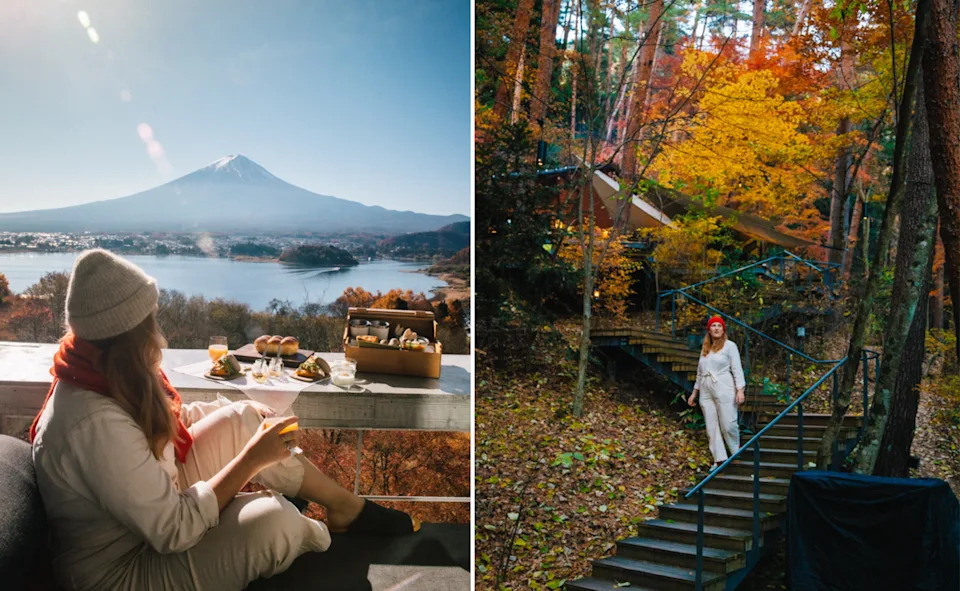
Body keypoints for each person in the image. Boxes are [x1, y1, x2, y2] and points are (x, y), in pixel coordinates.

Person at [30, 249, 419, 591]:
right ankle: (302, 533)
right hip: (121, 568)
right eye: (150, 322)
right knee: (274, 521)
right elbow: (173, 529)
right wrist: (251, 459)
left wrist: (242, 422)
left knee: (244, 420)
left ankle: (344, 507)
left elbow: (166, 425)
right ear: (128, 335)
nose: (158, 334)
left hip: (145, 515)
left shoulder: (101, 368)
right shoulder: (93, 423)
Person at [687, 315, 746, 469]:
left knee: (728, 423)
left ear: (723, 329)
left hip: (724, 385)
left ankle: (736, 450)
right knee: (711, 426)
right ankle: (719, 458)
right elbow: (700, 372)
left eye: (719, 326)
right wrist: (694, 393)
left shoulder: (730, 346)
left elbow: (737, 368)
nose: (716, 328)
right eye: (713, 326)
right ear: (709, 330)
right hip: (706, 389)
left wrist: (740, 390)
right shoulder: (705, 348)